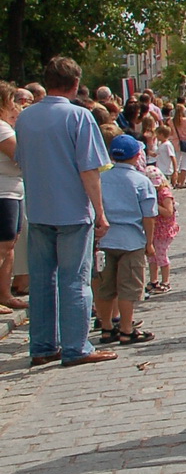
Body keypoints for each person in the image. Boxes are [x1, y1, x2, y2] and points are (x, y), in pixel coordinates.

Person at [16, 56, 115, 368]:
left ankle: (43, 345)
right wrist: (100, 212)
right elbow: (90, 170)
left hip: (39, 208)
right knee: (75, 280)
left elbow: (21, 159)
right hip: (72, 209)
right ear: (75, 84)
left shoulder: (25, 118)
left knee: (43, 281)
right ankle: (76, 346)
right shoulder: (79, 117)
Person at [94, 134, 156, 345]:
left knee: (106, 287)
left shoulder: (101, 179)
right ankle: (127, 329)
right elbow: (148, 215)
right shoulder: (141, 181)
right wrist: (149, 242)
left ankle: (106, 327)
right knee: (129, 288)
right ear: (137, 155)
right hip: (132, 240)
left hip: (105, 240)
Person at [139, 138, 178, 294]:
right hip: (153, 229)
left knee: (161, 254)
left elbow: (168, 212)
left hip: (164, 229)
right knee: (152, 256)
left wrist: (154, 206)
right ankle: (153, 280)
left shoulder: (164, 193)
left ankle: (165, 281)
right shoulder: (152, 192)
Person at [0, 83, 24, 314]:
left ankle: (5, 294)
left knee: (10, 244)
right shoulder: (2, 128)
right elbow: (19, 155)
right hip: (3, 191)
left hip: (13, 189)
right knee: (3, 244)